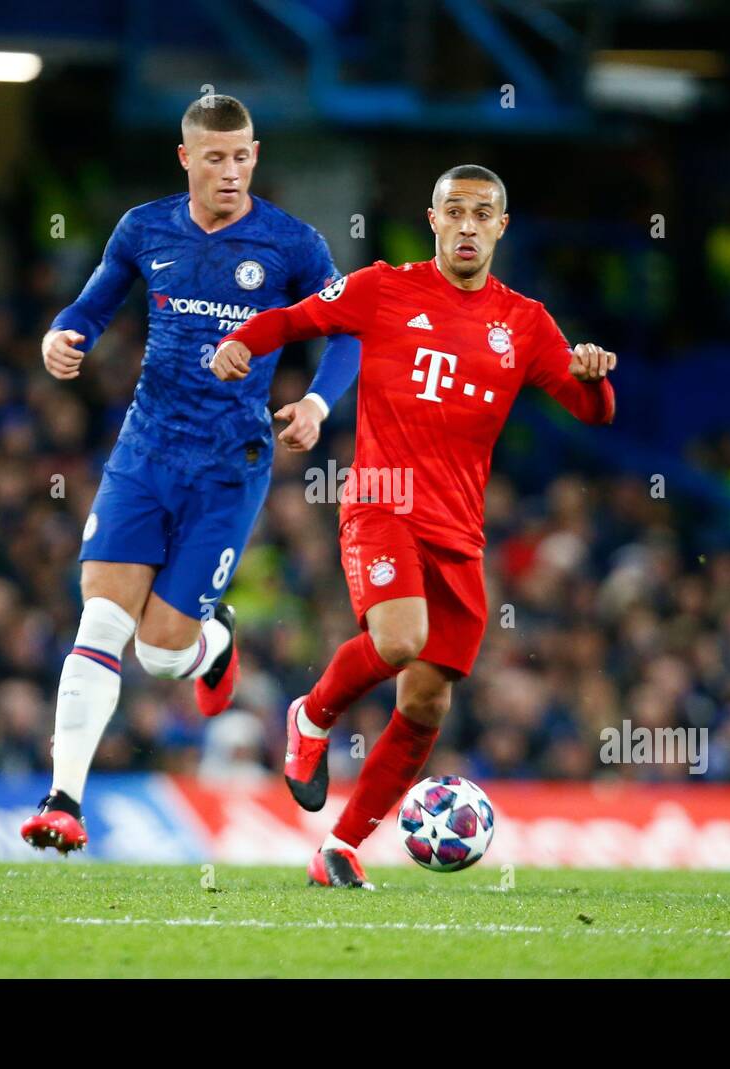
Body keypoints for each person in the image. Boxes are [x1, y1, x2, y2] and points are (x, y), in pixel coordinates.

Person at [214, 164, 617, 888]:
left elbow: (593, 413)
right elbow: (299, 317)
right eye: (453, 211)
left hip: (459, 529)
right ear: (433, 220)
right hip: (381, 498)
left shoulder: (525, 322)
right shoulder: (383, 287)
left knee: (427, 700)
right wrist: (243, 339)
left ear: (502, 226)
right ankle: (311, 716)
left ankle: (338, 846)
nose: (467, 224)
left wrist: (593, 378)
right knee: (401, 640)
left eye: (482, 213)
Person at [21, 94, 359, 853]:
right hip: (145, 450)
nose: (231, 172)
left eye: (243, 156)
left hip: (229, 463)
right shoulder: (145, 228)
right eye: (215, 157)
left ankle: (214, 644)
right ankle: (63, 799)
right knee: (103, 617)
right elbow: (93, 304)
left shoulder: (291, 244)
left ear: (255, 155)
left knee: (164, 652)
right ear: (186, 159)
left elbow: (349, 332)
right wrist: (61, 335)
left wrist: (314, 402)